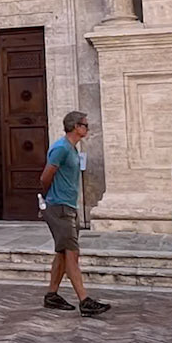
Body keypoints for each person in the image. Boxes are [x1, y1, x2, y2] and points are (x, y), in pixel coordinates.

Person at [39, 110, 111, 317]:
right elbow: (45, 177)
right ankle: (84, 300)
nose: (87, 128)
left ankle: (51, 295)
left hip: (68, 206)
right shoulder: (61, 148)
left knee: (63, 252)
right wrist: (48, 200)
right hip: (59, 207)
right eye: (85, 125)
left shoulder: (70, 149)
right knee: (72, 253)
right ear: (75, 126)